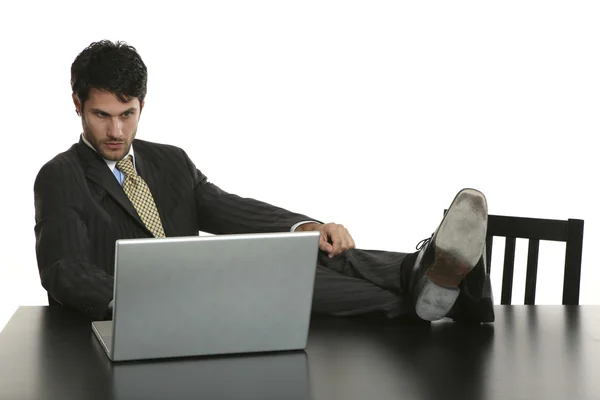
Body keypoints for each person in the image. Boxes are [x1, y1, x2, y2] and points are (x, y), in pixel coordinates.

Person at [33, 40, 494, 323]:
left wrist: (304, 228)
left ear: (142, 106)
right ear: (77, 104)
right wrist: (137, 304)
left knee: (313, 258)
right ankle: (445, 287)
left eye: (127, 115)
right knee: (290, 284)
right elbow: (64, 270)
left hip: (210, 295)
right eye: (102, 116)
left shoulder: (169, 162)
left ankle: (420, 280)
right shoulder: (60, 176)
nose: (115, 131)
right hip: (147, 316)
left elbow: (227, 209)